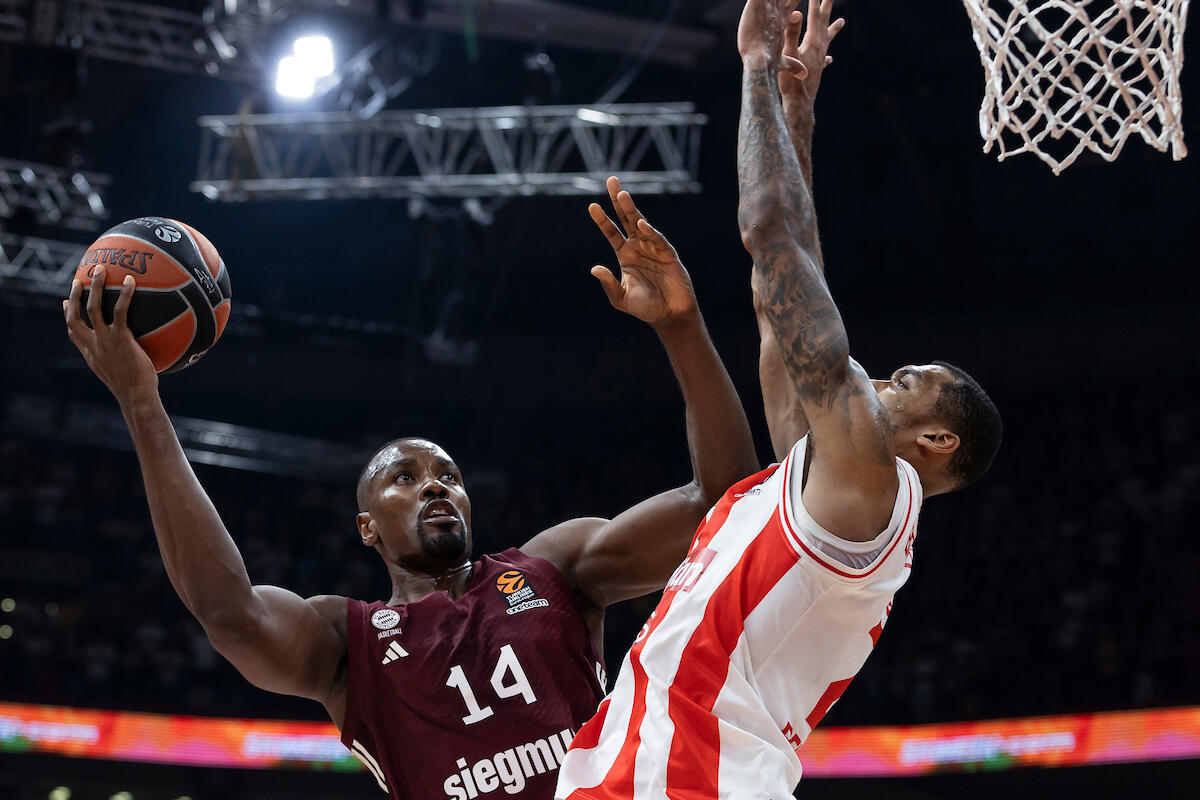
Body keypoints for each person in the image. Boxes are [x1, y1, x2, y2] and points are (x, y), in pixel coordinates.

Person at [61, 178, 759, 800]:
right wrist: (141, 404)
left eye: (449, 477)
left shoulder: (556, 568)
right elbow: (228, 612)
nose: (435, 488)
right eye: (406, 478)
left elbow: (724, 506)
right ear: (367, 526)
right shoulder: (348, 645)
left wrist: (680, 326)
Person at [555, 2, 1004, 798]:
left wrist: (757, 67)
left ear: (937, 441)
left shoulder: (873, 484)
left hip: (693, 777)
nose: (880, 377)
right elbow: (780, 308)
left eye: (906, 382)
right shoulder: (827, 484)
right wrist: (798, 114)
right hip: (648, 765)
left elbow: (770, 236)